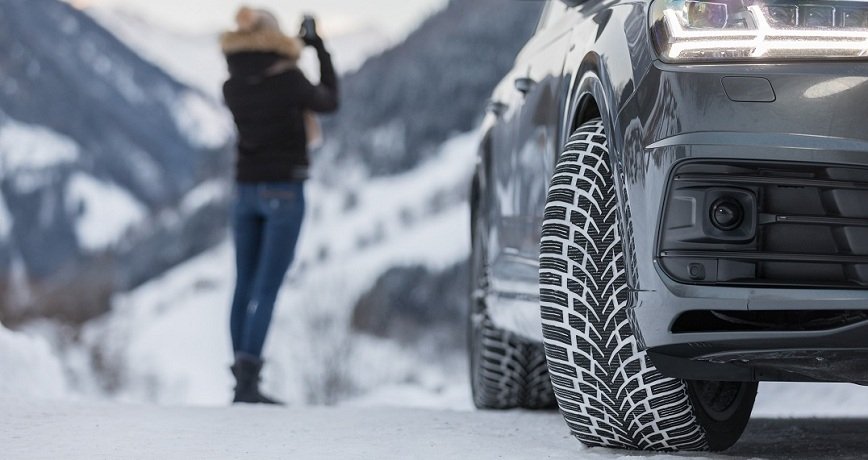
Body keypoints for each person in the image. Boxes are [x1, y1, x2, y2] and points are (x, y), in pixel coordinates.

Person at [221, 6, 339, 404]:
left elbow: (267, 77)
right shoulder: (289, 79)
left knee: (244, 284)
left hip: (245, 191)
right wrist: (317, 47)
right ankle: (249, 385)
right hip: (284, 191)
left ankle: (241, 380)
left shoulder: (231, 85)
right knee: (267, 288)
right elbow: (329, 100)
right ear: (276, 40)